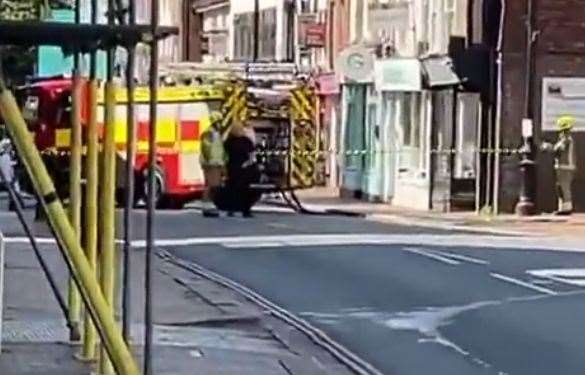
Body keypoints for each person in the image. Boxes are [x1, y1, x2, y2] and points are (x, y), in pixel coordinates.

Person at [224, 122, 259, 217]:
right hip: (244, 169)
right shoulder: (246, 141)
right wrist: (248, 164)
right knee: (245, 190)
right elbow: (252, 156)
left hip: (232, 168)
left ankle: (231, 209)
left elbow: (224, 155)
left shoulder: (228, 141)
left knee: (232, 190)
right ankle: (245, 210)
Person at [199, 112, 225, 217]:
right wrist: (209, 161)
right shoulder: (208, 133)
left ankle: (210, 205)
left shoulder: (216, 133)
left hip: (216, 163)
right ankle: (206, 206)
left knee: (215, 186)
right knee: (210, 186)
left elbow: (219, 149)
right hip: (211, 164)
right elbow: (205, 148)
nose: (220, 124)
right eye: (219, 122)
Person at [552, 116, 577, 215]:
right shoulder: (567, 139)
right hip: (564, 166)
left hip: (565, 167)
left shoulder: (566, 140)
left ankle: (566, 208)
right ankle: (562, 207)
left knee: (564, 188)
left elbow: (558, 149)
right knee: (561, 187)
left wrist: (550, 147)